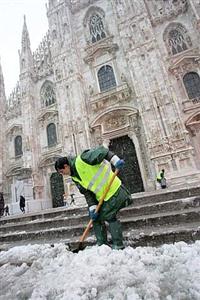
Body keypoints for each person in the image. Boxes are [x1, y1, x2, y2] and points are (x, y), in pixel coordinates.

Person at [55, 146, 133, 250]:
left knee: (109, 215)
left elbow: (103, 152)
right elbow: (87, 193)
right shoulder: (74, 177)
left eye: (61, 172)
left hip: (115, 190)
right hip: (103, 197)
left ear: (66, 166)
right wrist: (92, 207)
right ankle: (102, 245)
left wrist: (115, 160)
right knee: (96, 218)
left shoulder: (82, 159)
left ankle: (118, 245)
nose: (62, 175)